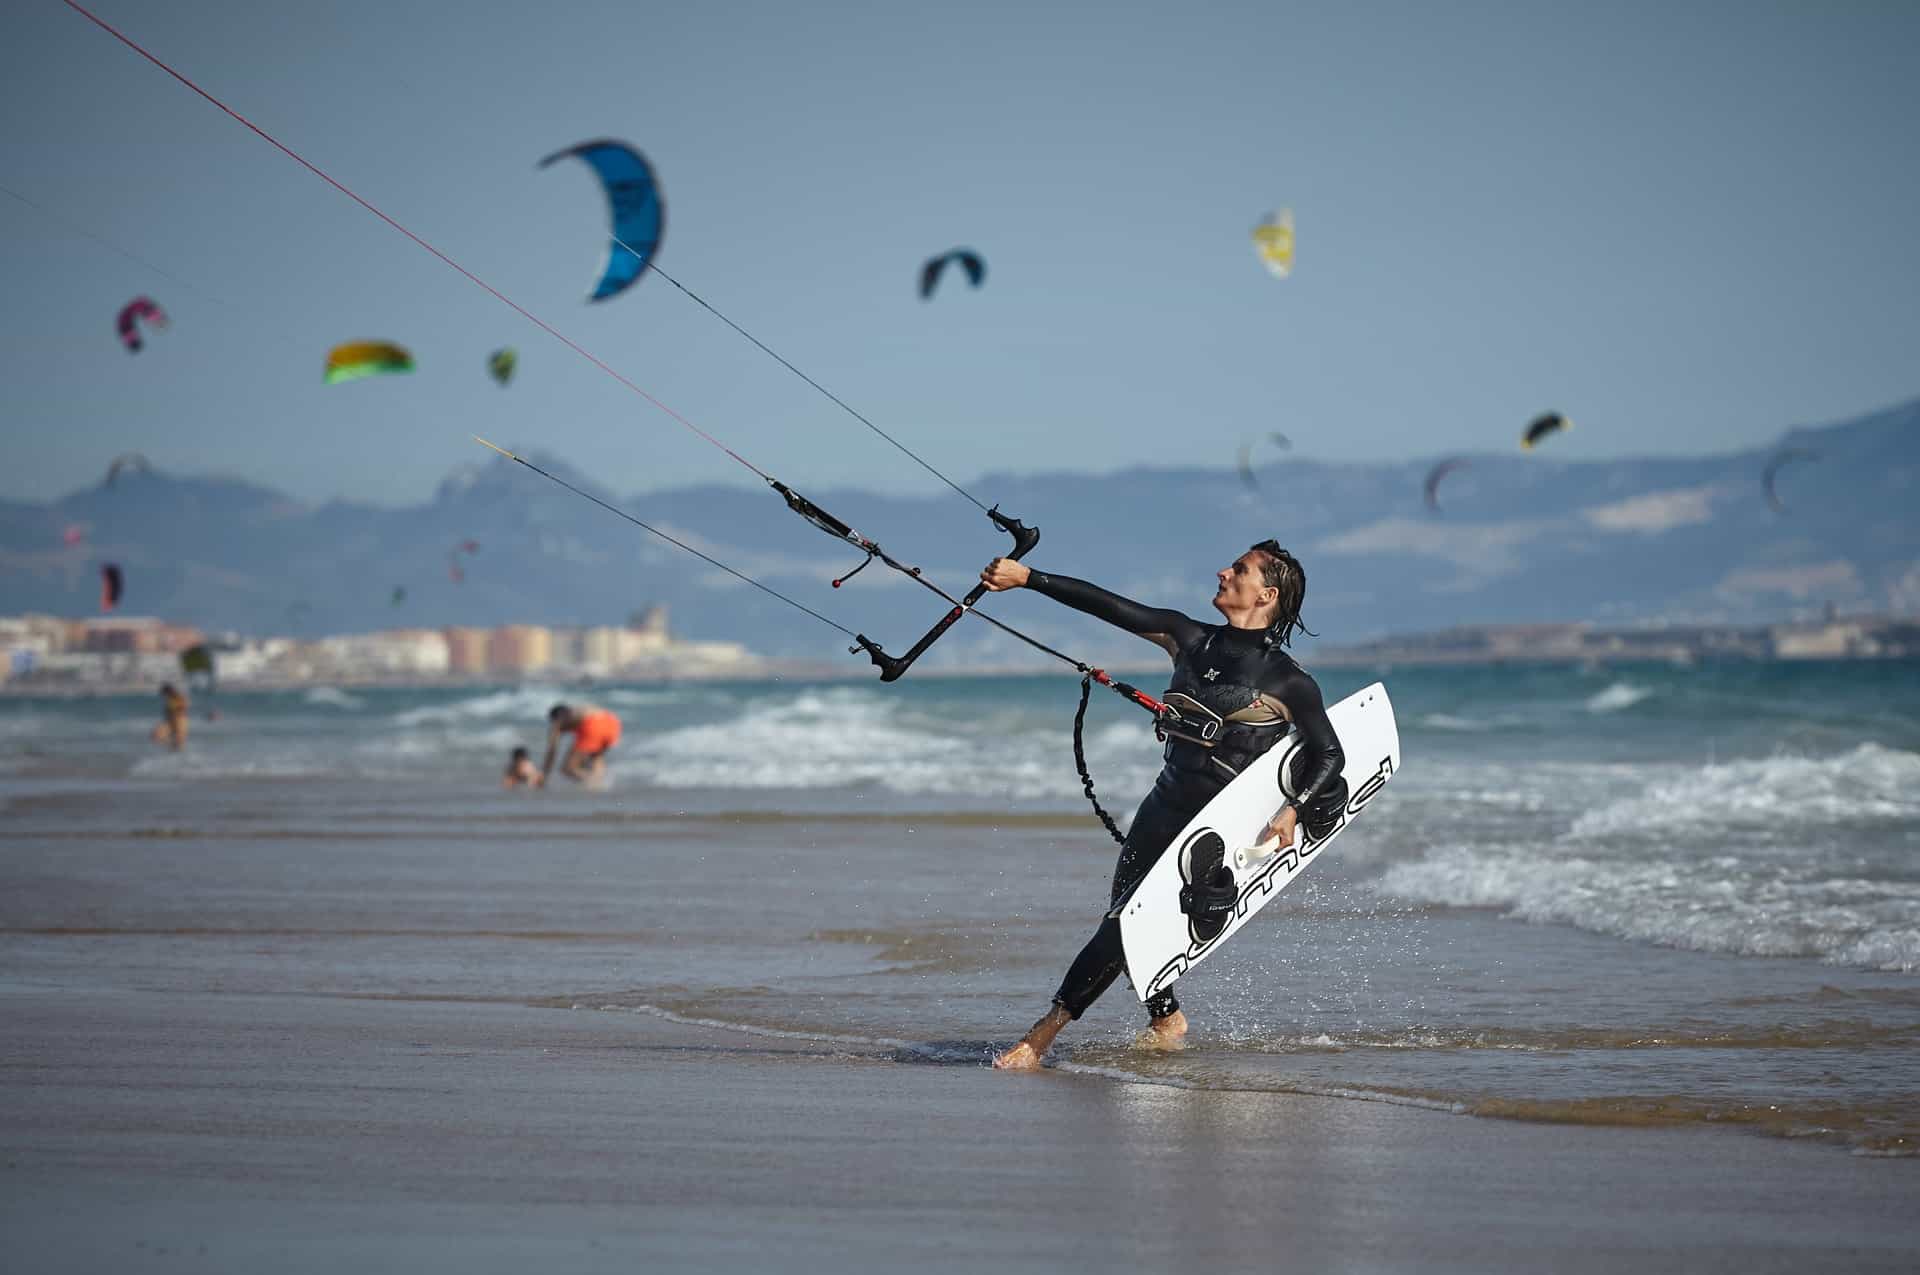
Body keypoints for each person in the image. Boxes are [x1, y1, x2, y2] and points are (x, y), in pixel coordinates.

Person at [979, 540, 1347, 1070]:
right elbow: (1107, 605)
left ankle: (1040, 1037)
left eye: (1238, 570)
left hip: (1213, 829)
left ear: (1265, 594)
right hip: (1162, 804)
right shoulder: (1188, 638)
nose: (1223, 571)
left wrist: (1294, 809)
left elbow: (1328, 754)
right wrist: (1027, 578)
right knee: (1127, 922)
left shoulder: (1288, 681)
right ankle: (1166, 1016)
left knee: (1123, 925)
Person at [541, 702, 622, 785]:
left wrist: (544, 775)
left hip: (593, 724)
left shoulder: (559, 721)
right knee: (595, 757)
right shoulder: (579, 710)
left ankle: (595, 783)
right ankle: (601, 784)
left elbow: (552, 751)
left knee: (567, 768)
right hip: (612, 722)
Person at [150, 682, 189, 751]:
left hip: (179, 721)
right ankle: (170, 750)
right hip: (170, 721)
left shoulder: (178, 697)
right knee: (155, 736)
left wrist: (174, 711)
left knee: (178, 742)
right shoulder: (170, 699)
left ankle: (175, 756)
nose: (163, 695)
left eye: (163, 693)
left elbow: (183, 708)